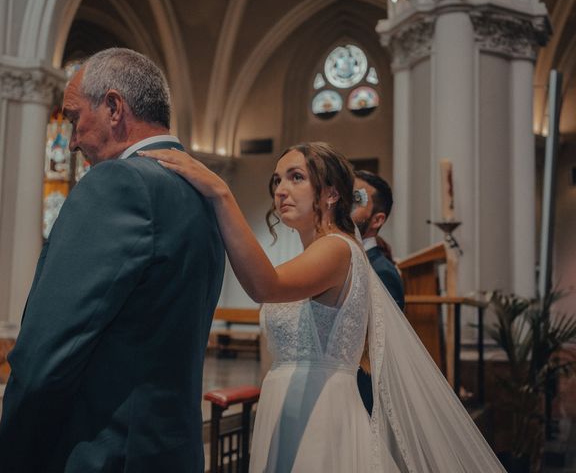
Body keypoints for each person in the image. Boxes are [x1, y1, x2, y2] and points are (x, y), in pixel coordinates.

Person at [143, 142, 505, 472]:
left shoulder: (337, 249)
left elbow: (263, 285)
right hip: (286, 405)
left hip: (321, 414)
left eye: (296, 177)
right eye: (277, 180)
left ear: (331, 193)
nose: (280, 189)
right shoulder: (313, 254)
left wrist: (221, 194)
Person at [0, 48, 225, 472]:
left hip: (104, 454)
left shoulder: (120, 183)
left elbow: (44, 358)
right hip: (171, 453)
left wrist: (11, 456)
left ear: (114, 107)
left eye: (74, 118)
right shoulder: (202, 193)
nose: (73, 139)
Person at [351, 170, 405, 415]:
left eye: (356, 200)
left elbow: (379, 352)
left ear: (377, 220)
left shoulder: (382, 271)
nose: (344, 204)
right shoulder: (340, 259)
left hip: (360, 398)